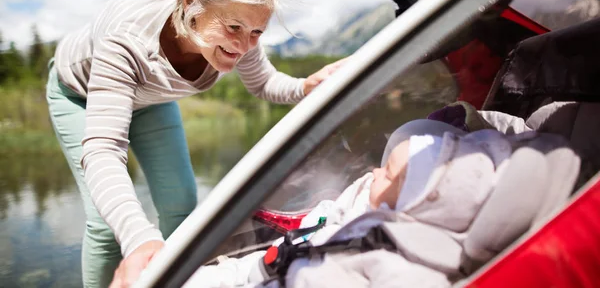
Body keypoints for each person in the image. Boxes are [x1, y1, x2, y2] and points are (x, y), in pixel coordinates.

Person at [45, 0, 347, 288]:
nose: (245, 44)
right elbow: (102, 150)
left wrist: (306, 86)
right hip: (79, 94)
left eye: (257, 32)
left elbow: (264, 82)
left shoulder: (240, 30)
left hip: (151, 99)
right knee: (105, 222)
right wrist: (138, 240)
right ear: (190, 1)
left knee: (181, 201)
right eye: (234, 27)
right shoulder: (125, 37)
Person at [186, 116, 573, 288]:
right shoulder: (361, 214)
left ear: (414, 203)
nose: (373, 171)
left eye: (387, 172)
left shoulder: (410, 271)